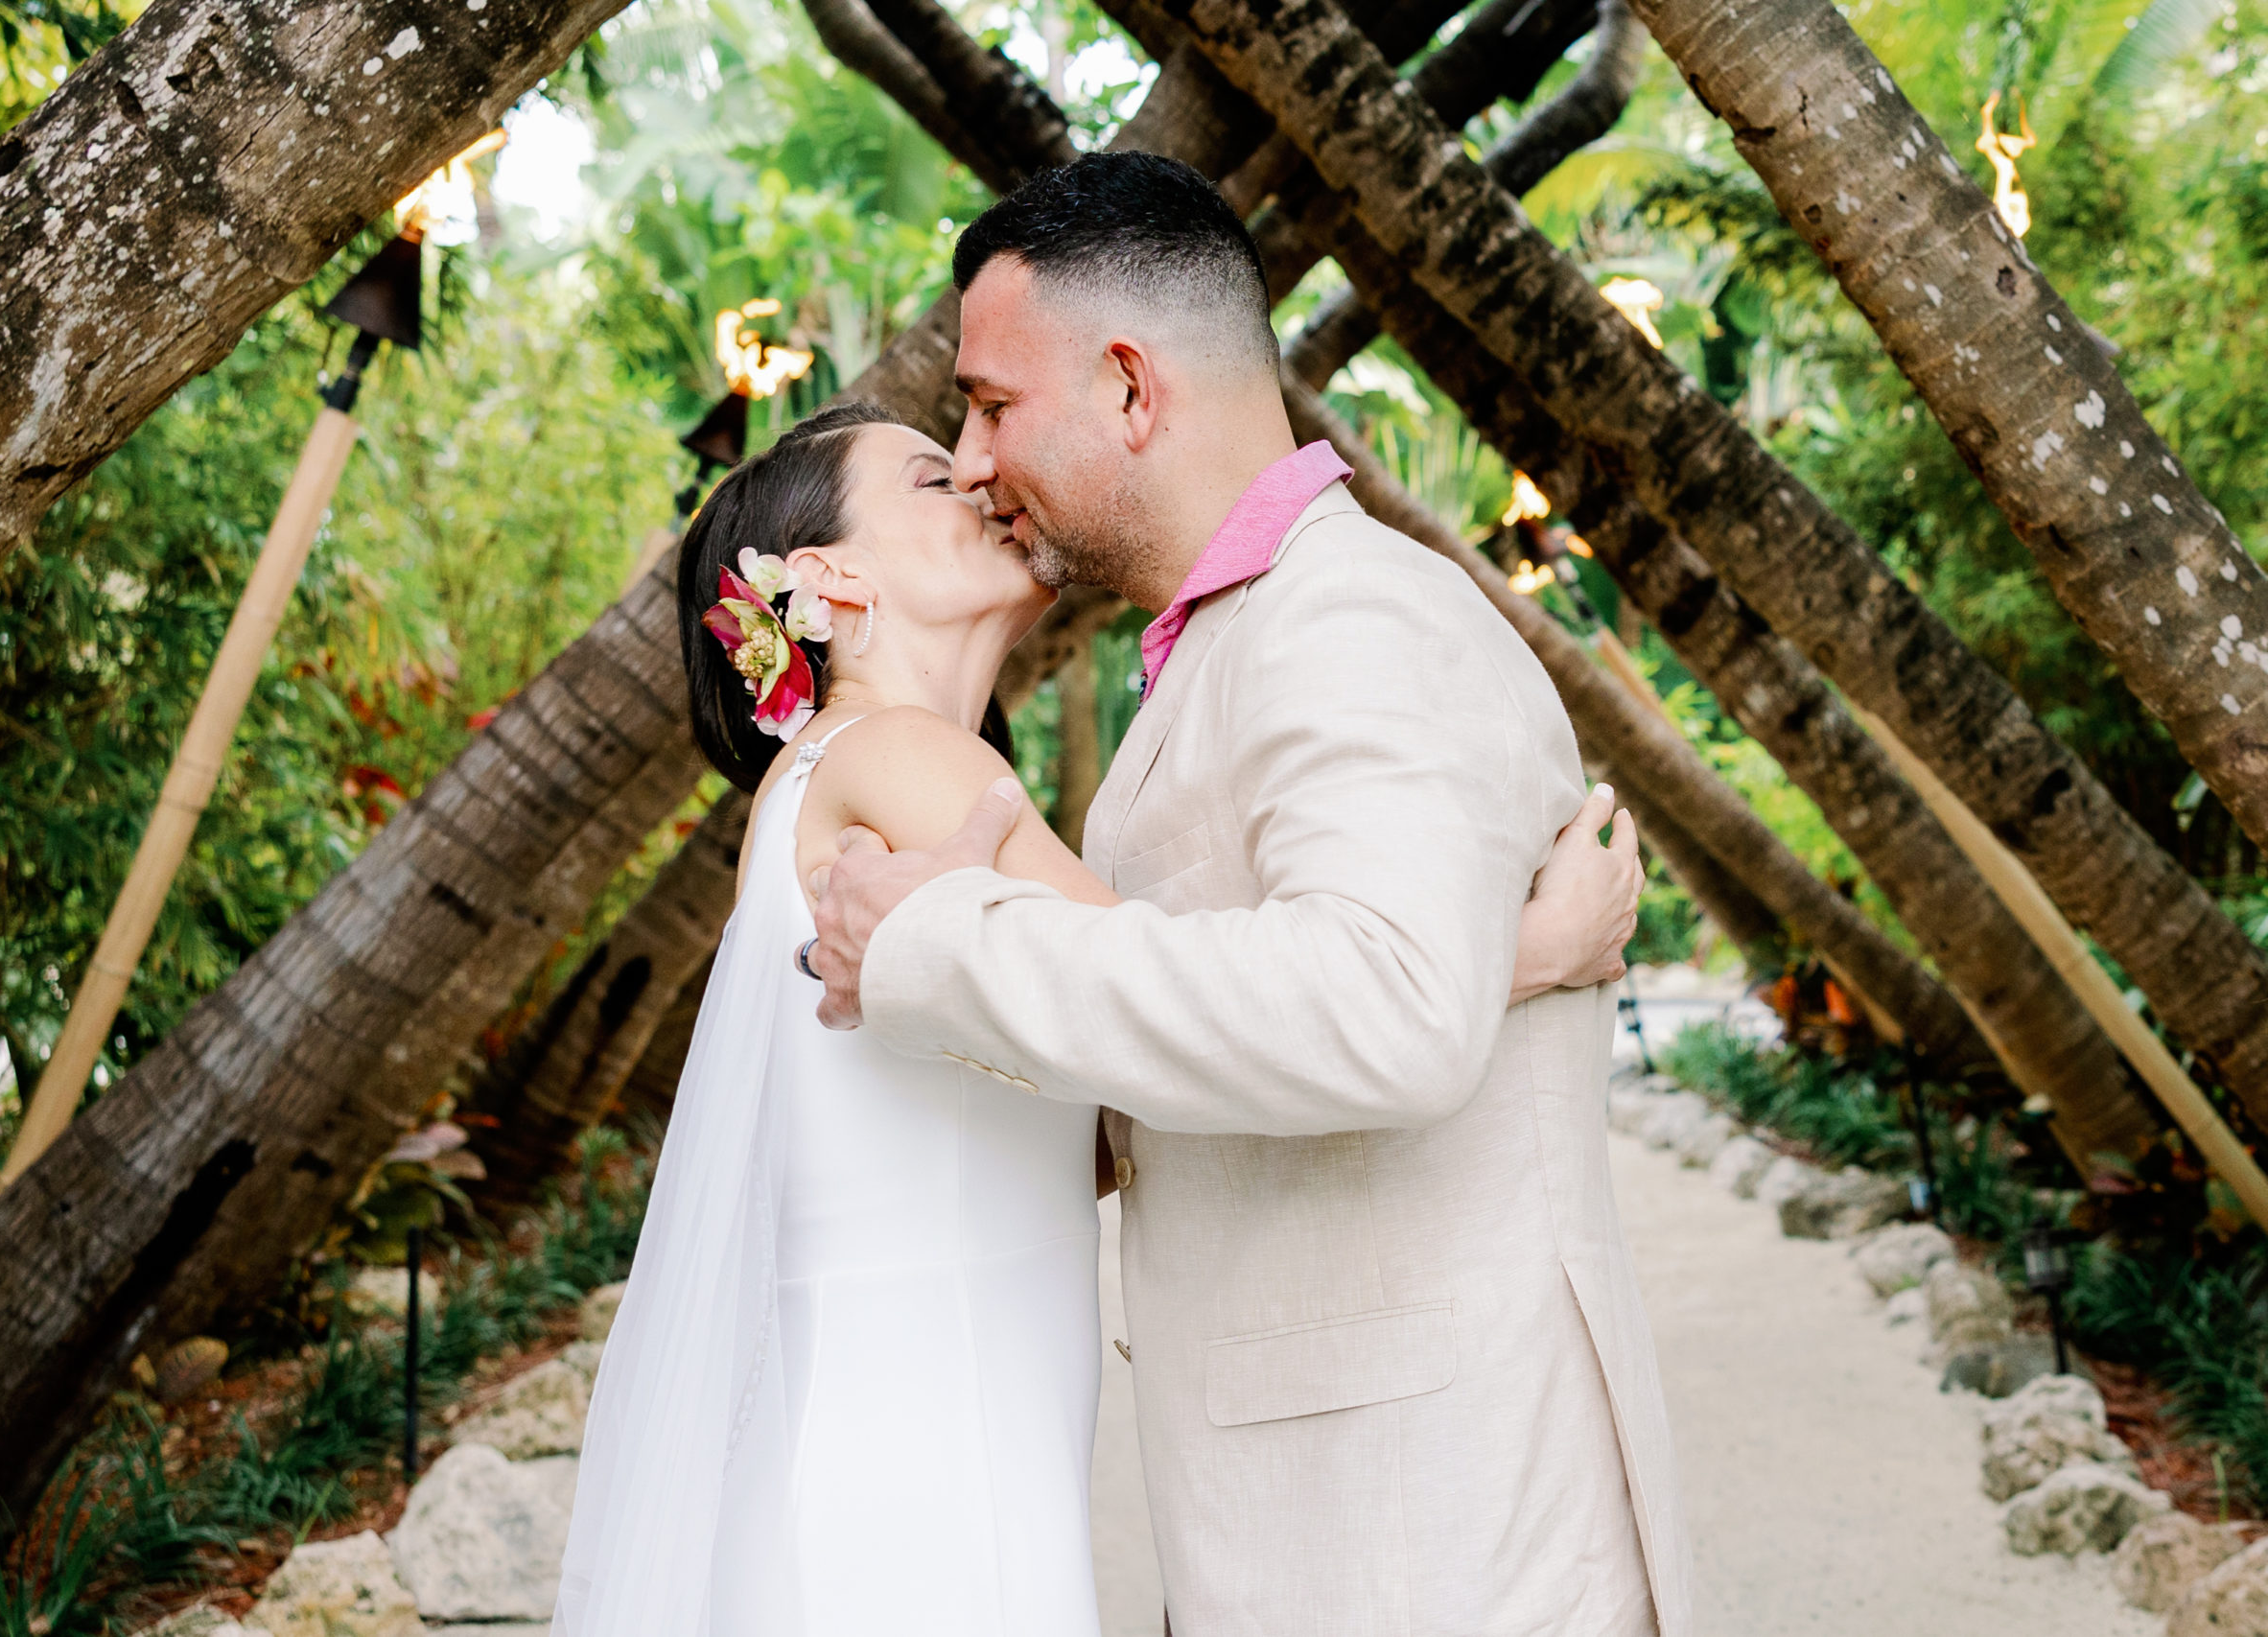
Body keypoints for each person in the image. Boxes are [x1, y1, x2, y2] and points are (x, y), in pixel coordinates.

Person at [552, 392, 1640, 1626]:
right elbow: (1182, 991)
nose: (977, 474)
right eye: (926, 476)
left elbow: (1104, 1100)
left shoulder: (863, 771)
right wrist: (1525, 947)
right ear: (826, 579)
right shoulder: (900, 756)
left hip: (930, 1423)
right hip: (918, 1454)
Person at [802, 152, 1692, 1635]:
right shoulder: (1232, 644)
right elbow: (1304, 1004)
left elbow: (1388, 1008)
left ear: (1134, 389)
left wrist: (943, 940)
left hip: (1430, 1540)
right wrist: (1512, 954)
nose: (968, 456)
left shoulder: (1356, 617)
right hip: (1329, 1526)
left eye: (993, 403)